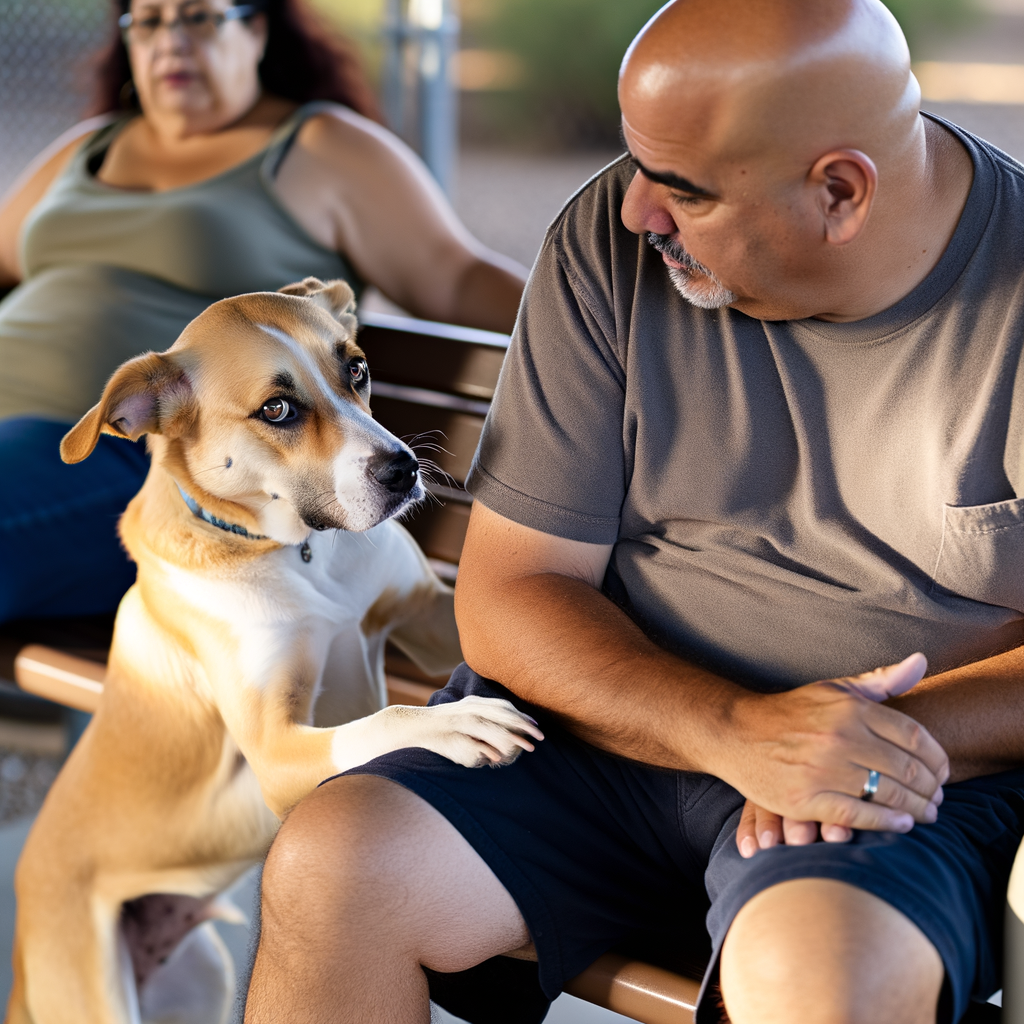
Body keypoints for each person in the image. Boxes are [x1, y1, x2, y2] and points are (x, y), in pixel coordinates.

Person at [246, 0, 1024, 1022]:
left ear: (838, 190)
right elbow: (514, 590)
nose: (635, 214)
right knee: (336, 862)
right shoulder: (609, 245)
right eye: (640, 168)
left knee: (819, 974)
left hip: (910, 782)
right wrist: (738, 729)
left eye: (683, 191)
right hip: (615, 728)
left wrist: (847, 747)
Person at [0, 0, 526, 623]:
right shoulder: (89, 146)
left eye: (198, 17)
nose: (170, 41)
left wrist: (603, 330)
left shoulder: (323, 146)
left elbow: (458, 275)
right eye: (148, 20)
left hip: (116, 458)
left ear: (256, 28)